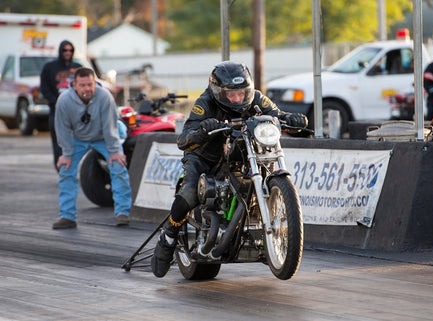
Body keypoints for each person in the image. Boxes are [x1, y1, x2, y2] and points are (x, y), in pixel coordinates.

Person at [150, 61, 308, 278]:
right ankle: (167, 238)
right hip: (206, 157)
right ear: (218, 92)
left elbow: (276, 113)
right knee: (189, 193)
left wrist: (292, 119)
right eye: (230, 95)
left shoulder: (258, 99)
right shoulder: (204, 103)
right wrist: (203, 130)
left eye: (242, 93)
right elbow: (184, 139)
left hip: (242, 153)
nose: (237, 99)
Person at [52, 67, 131, 229]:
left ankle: (122, 213)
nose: (87, 89)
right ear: (74, 85)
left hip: (103, 137)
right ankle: (67, 216)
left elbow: (111, 126)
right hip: (78, 138)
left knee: (118, 166)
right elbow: (62, 129)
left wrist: (115, 151)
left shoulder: (105, 97)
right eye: (82, 85)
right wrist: (65, 153)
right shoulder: (64, 100)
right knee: (66, 170)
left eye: (90, 84)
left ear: (95, 83)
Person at [40, 40, 82, 169]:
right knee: (59, 142)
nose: (68, 53)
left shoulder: (78, 67)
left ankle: (74, 168)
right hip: (56, 111)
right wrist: (54, 101)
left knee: (77, 142)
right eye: (65, 50)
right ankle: (61, 168)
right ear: (60, 51)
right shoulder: (49, 67)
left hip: (75, 111)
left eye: (70, 50)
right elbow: (44, 88)